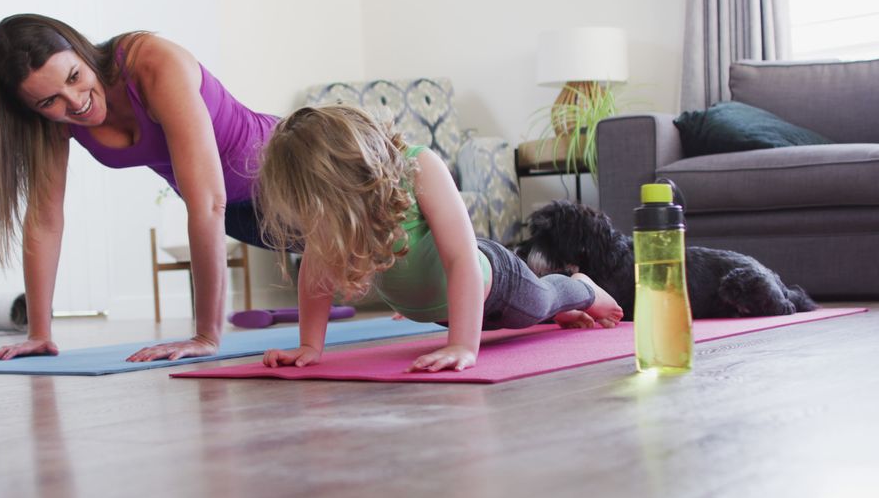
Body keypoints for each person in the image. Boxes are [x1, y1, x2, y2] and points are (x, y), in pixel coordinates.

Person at [0, 13, 277, 363]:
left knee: (358, 248)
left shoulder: (150, 63)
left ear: (81, 51)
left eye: (74, 77)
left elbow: (209, 202)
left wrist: (206, 336)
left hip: (293, 173)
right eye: (49, 101)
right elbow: (45, 219)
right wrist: (39, 334)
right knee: (349, 260)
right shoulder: (52, 122)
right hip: (239, 215)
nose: (75, 102)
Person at [255, 105, 624, 372]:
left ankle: (582, 288)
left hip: (494, 284)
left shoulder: (419, 167)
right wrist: (309, 346)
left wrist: (463, 345)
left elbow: (461, 259)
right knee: (525, 319)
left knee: (543, 302)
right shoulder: (333, 217)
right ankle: (562, 308)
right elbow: (315, 276)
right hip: (446, 311)